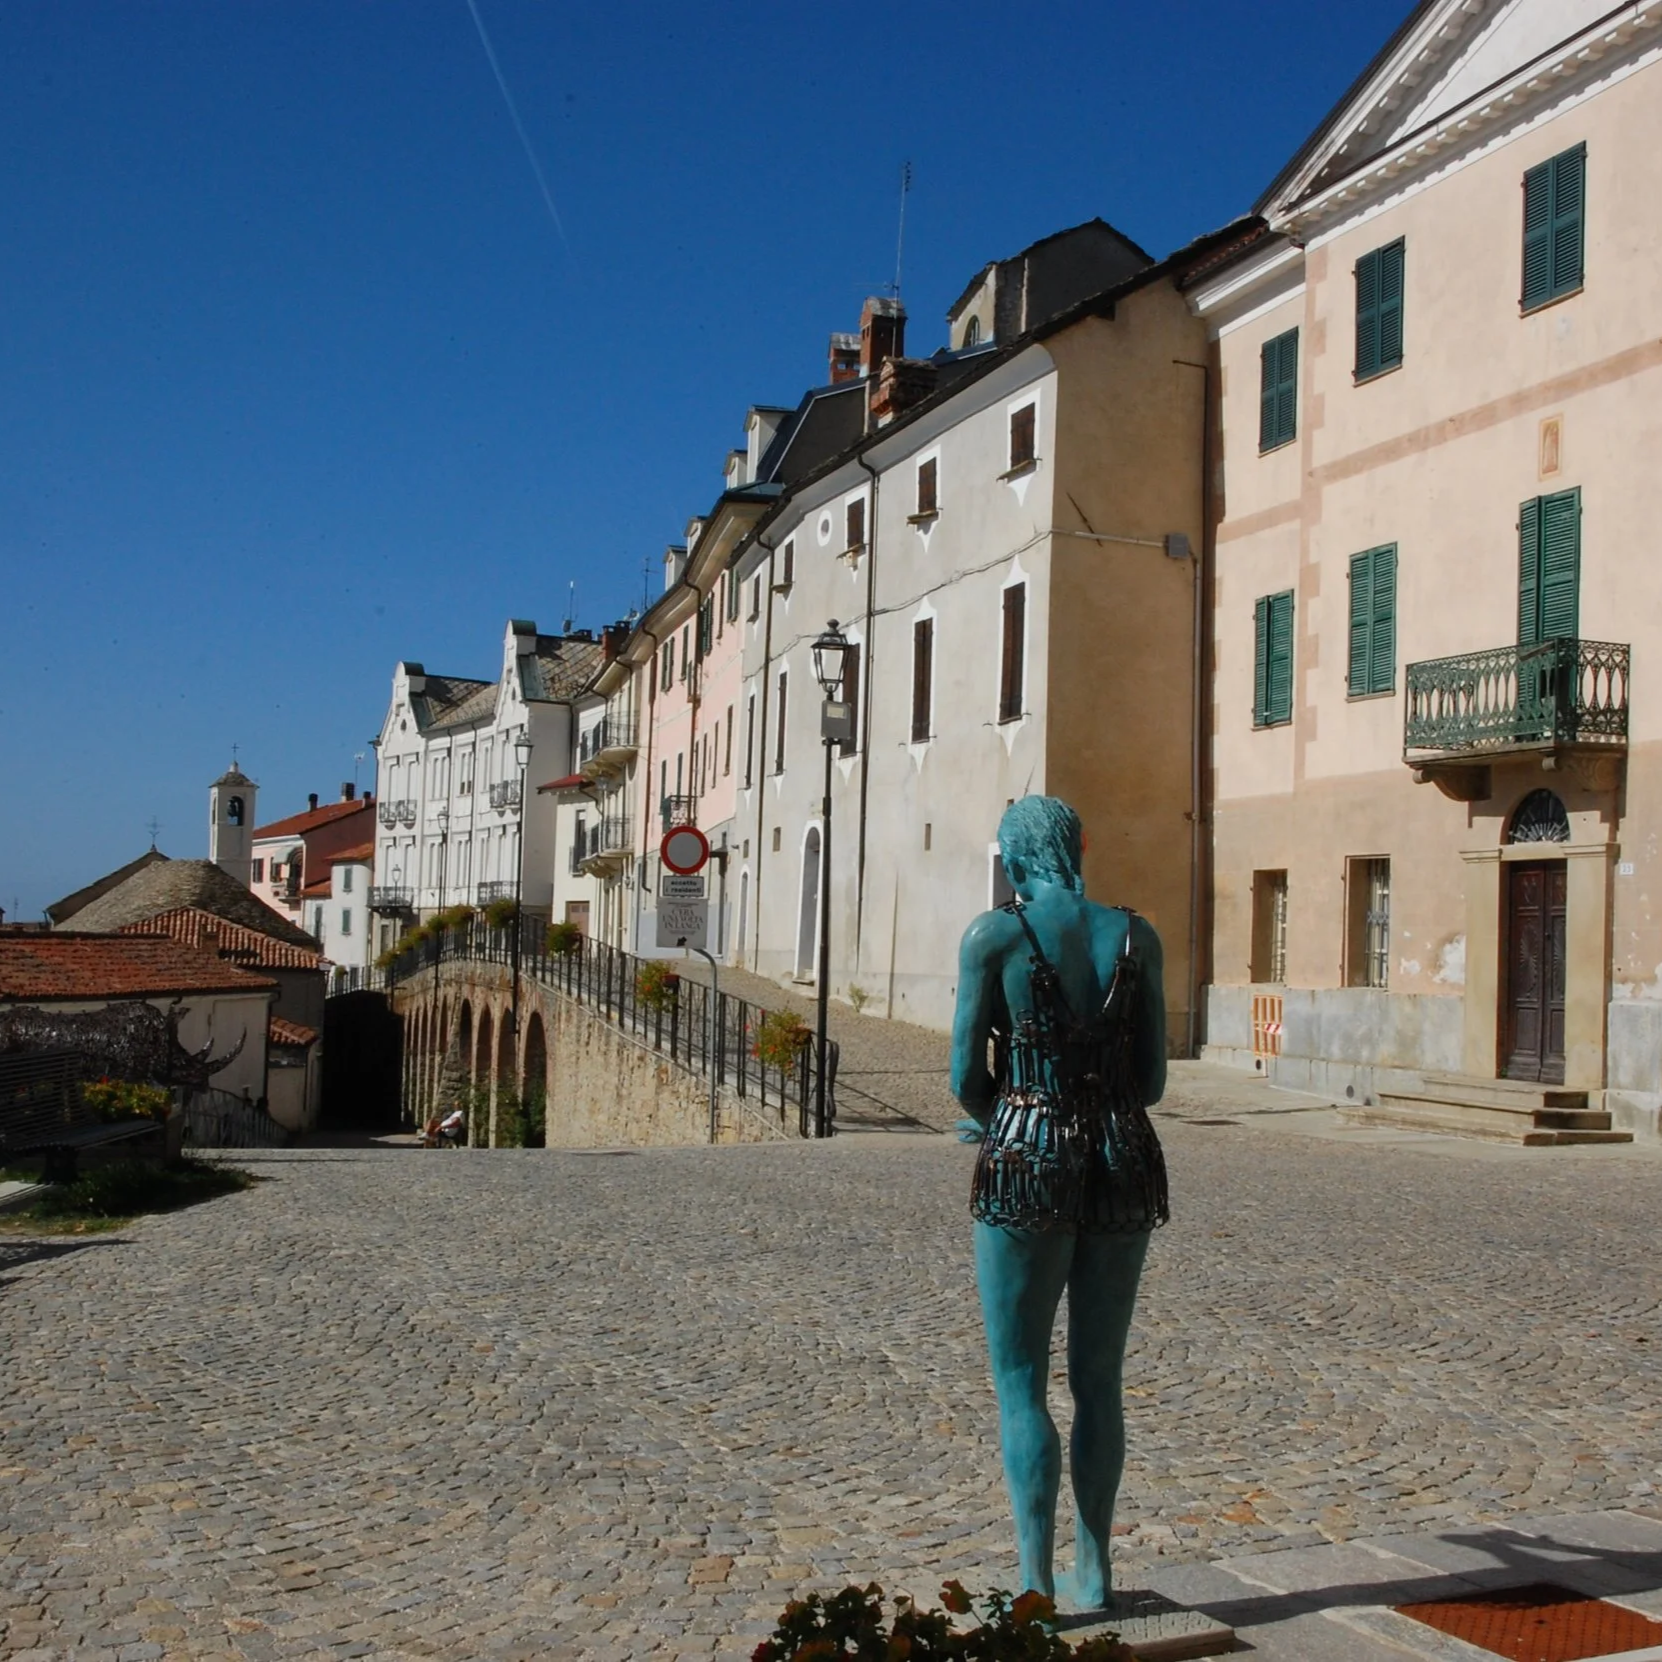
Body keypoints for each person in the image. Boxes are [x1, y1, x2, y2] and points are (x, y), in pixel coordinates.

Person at [949, 795, 1169, 1612]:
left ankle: (1037, 1583)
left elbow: (965, 1077)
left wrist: (1003, 1116)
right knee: (1100, 1378)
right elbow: (1150, 1081)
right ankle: (1098, 1571)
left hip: (1024, 1158)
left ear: (1014, 855)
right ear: (1076, 848)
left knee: (1021, 1381)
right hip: (1121, 1159)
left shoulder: (994, 936)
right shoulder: (1136, 937)